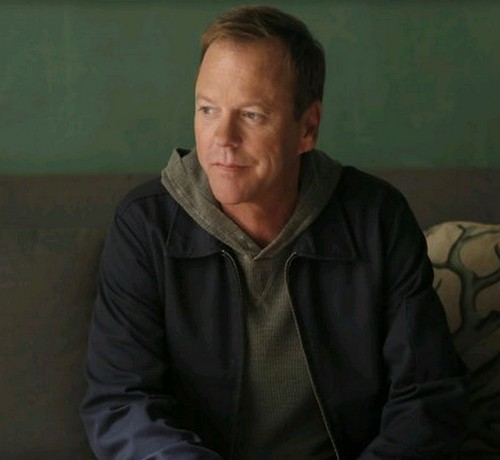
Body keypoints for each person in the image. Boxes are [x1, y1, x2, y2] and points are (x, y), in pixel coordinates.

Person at [81, 5, 468, 459]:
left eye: (252, 115)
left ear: (307, 128)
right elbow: (122, 402)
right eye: (207, 109)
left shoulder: (377, 219)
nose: (222, 137)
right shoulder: (145, 226)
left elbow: (427, 397)